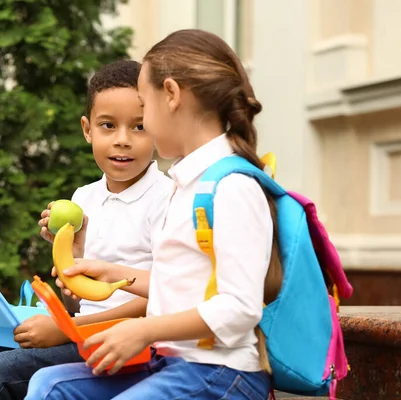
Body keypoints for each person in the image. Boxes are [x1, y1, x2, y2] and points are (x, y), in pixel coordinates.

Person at [24, 29, 283, 400]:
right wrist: (112, 274)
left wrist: (143, 331)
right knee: (49, 387)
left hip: (221, 372)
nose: (132, 133)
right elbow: (181, 282)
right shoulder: (187, 181)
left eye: (144, 107)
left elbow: (240, 308)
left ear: (172, 96)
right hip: (173, 361)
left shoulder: (231, 186)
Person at [0, 59, 172, 400]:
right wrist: (72, 259)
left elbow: (166, 297)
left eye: (139, 127)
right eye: (108, 125)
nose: (122, 140)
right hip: (80, 333)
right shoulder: (84, 198)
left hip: (126, 345)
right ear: (87, 129)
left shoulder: (166, 198)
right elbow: (79, 298)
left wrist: (66, 330)